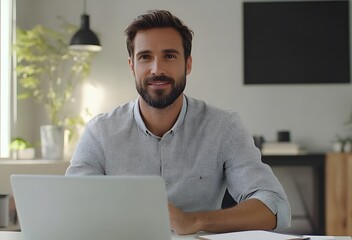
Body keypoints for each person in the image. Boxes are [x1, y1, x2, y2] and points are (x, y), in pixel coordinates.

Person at [66, 9, 291, 234]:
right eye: (145, 57)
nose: (157, 69)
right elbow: (70, 206)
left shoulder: (223, 127)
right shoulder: (100, 132)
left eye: (169, 56)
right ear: (132, 66)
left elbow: (275, 206)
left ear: (188, 64)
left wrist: (195, 221)